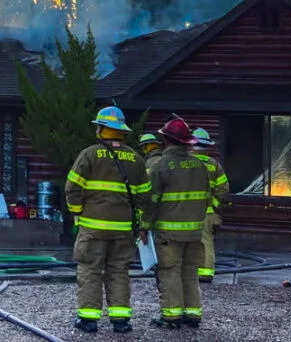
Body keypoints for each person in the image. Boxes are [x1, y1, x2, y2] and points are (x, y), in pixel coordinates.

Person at [65, 106, 154, 334]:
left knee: (90, 269)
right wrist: (143, 224)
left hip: (92, 227)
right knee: (118, 271)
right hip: (123, 229)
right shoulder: (136, 159)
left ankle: (88, 320)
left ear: (102, 129)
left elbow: (72, 188)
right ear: (121, 131)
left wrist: (77, 213)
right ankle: (121, 320)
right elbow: (145, 197)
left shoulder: (90, 154)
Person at [148, 117, 212, 329]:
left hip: (169, 233)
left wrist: (144, 226)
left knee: (170, 272)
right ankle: (193, 314)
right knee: (190, 272)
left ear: (166, 140)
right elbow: (208, 197)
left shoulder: (161, 165)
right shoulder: (200, 165)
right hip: (195, 232)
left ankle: (172, 316)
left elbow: (152, 201)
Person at [190, 127, 230, 283]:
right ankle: (206, 273)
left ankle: (188, 271)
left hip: (185, 211)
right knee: (206, 242)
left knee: (183, 242)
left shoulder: (185, 162)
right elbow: (224, 188)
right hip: (206, 212)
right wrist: (213, 204)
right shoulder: (214, 165)